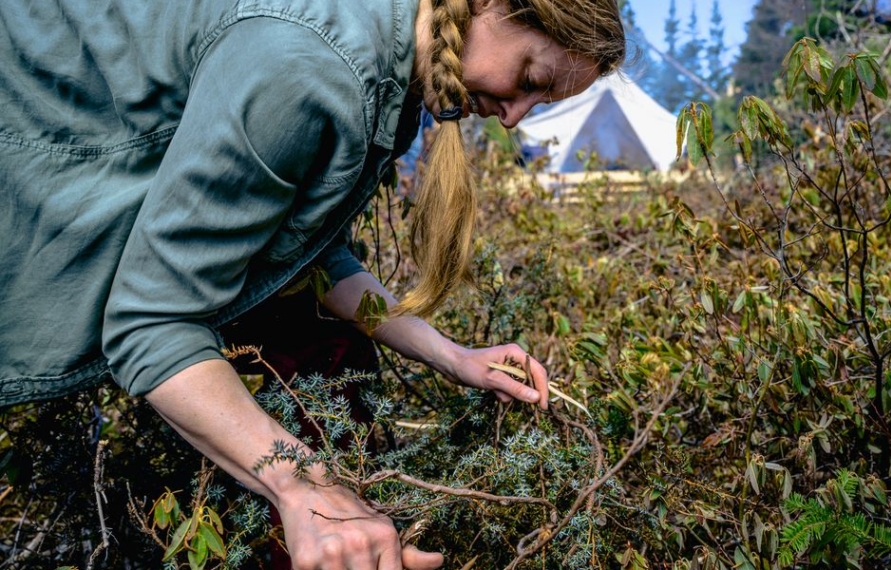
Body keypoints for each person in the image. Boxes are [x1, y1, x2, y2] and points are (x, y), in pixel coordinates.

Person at [0, 0, 625, 567]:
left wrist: (454, 356)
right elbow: (150, 323)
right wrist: (308, 491)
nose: (514, 118)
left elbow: (311, 259)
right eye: (530, 80)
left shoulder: (392, 71)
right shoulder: (310, 69)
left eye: (539, 104)